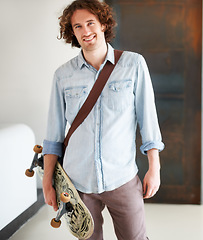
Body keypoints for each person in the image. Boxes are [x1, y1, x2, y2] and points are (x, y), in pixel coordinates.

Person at [42, 0, 164, 239]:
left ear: (104, 24)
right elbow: (53, 136)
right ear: (72, 32)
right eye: (78, 26)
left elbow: (149, 121)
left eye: (90, 23)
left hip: (123, 178)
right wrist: (48, 181)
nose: (85, 31)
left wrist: (154, 167)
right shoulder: (62, 76)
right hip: (77, 185)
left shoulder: (133, 64)